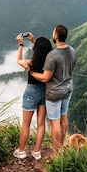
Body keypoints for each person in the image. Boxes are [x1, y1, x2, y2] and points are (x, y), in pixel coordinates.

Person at [30, 25, 76, 152]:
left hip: (54, 93)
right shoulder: (72, 50)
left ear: (56, 36)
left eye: (53, 33)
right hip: (68, 89)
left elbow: (45, 78)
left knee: (54, 122)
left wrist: (31, 72)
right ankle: (61, 146)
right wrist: (35, 42)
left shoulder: (52, 55)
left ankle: (56, 153)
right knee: (63, 117)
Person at [13, 32, 52, 160]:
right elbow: (42, 51)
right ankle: (37, 152)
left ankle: (22, 151)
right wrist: (34, 41)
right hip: (44, 91)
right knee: (41, 124)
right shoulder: (50, 63)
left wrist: (21, 44)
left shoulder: (31, 63)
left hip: (31, 92)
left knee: (26, 124)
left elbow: (18, 60)